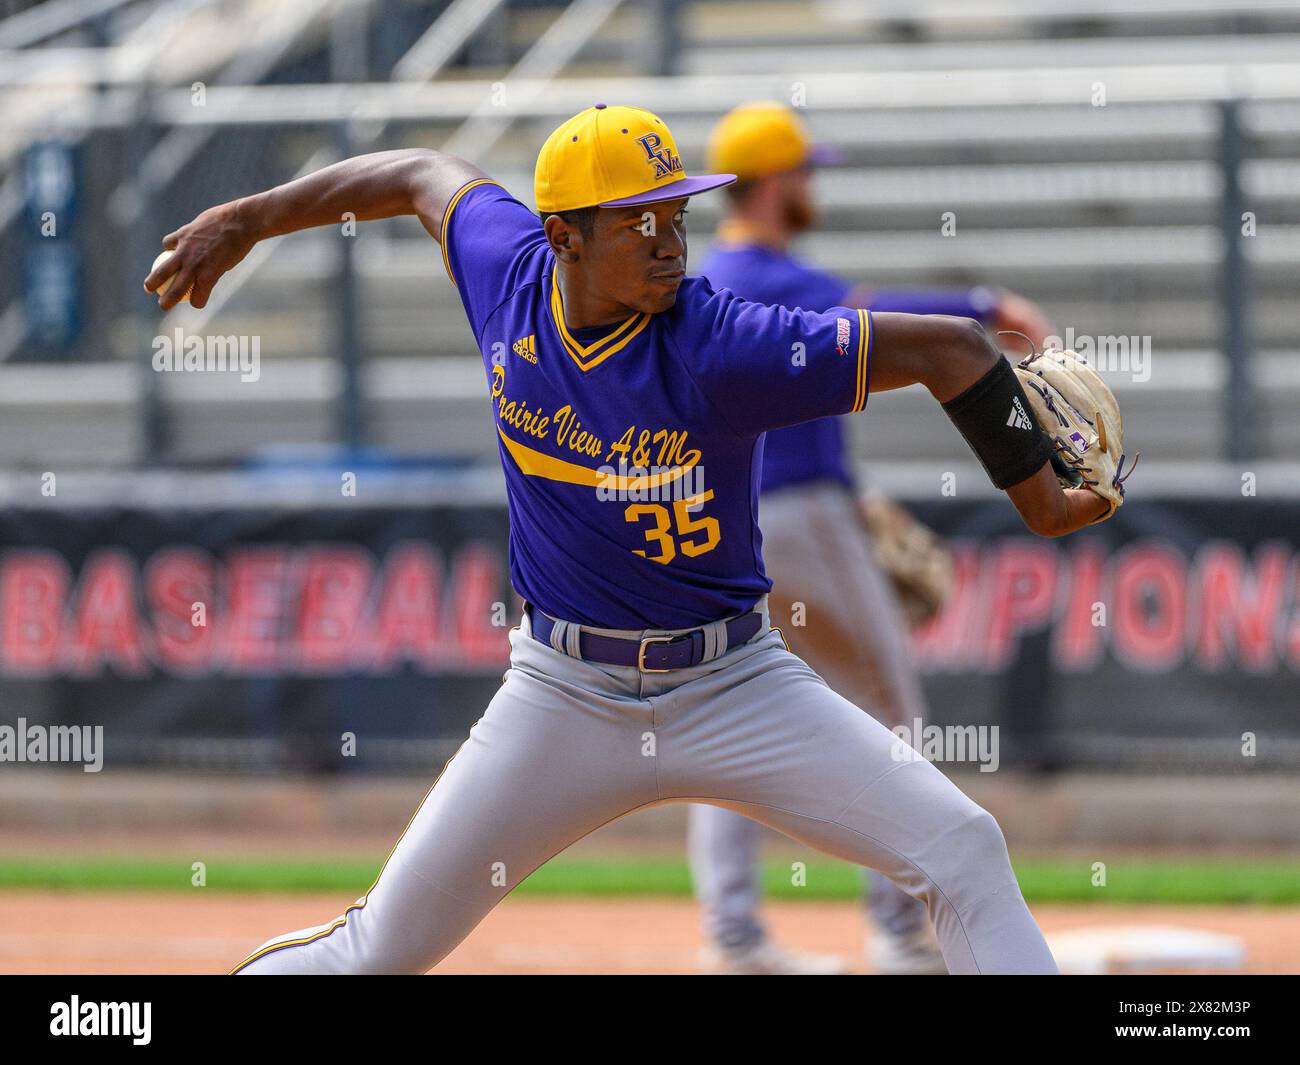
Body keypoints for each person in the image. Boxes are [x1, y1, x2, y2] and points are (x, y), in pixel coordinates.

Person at [146, 104, 1107, 976]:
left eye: (678, 213)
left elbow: (955, 350)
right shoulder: (505, 271)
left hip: (738, 685)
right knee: (376, 953)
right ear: (561, 235)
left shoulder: (724, 340)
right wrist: (251, 217)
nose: (669, 240)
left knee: (963, 847)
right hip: (562, 695)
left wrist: (1041, 502)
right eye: (640, 219)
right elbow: (415, 174)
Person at [689, 101, 1054, 975]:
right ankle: (900, 931)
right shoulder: (763, 275)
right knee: (890, 708)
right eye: (805, 169)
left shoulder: (712, 276)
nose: (814, 183)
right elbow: (874, 315)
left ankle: (734, 937)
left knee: (733, 717)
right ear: (774, 180)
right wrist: (982, 307)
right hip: (801, 513)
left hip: (736, 518)